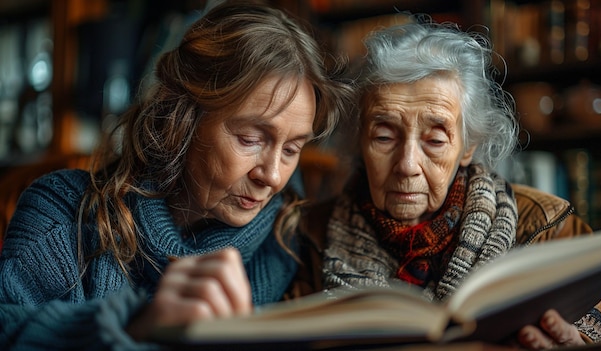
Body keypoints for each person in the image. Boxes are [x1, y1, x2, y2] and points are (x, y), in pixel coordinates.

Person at [0, 1, 353, 350]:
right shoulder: (64, 213)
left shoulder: (286, 240)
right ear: (183, 118)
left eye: (292, 149)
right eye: (250, 139)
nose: (273, 177)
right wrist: (135, 325)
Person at [297, 15, 601, 349]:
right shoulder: (308, 236)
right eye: (384, 137)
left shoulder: (547, 228)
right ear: (358, 140)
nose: (407, 165)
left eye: (435, 141)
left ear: (468, 146)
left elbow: (599, 327)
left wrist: (579, 342)